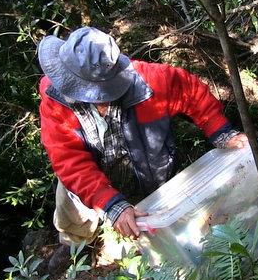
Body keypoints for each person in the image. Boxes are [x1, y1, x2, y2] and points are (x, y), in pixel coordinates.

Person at [37, 26, 247, 252]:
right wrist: (110, 203)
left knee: (153, 224)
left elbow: (190, 92)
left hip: (145, 169)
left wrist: (222, 133)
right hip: (88, 177)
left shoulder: (149, 81)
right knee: (72, 209)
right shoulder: (55, 100)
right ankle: (77, 250)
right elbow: (69, 160)